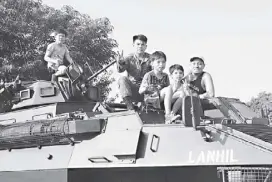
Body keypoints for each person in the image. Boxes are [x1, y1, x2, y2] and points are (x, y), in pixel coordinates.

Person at [117, 34, 151, 110]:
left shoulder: (151, 58)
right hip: (133, 90)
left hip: (146, 90)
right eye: (138, 44)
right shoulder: (128, 58)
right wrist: (121, 63)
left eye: (143, 44)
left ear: (146, 46)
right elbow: (120, 70)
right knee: (122, 79)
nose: (140, 46)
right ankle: (129, 105)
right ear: (133, 45)